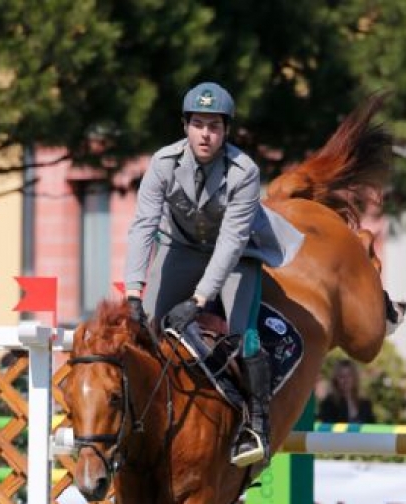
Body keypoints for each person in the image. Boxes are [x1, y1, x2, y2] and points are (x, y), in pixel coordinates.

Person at [124, 82, 302, 469]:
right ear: (185, 126)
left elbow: (231, 241)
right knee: (145, 329)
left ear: (225, 131)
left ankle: (254, 427)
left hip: (238, 254)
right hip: (181, 248)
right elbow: (143, 227)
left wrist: (199, 299)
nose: (206, 134)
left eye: (215, 126)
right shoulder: (162, 163)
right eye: (199, 124)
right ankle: (135, 422)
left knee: (243, 334)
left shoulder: (245, 171)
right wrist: (133, 293)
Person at [317, 360, 375, 424]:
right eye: (341, 376)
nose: (346, 380)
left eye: (349, 375)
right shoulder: (328, 404)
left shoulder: (365, 403)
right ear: (335, 379)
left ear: (355, 378)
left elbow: (372, 426)